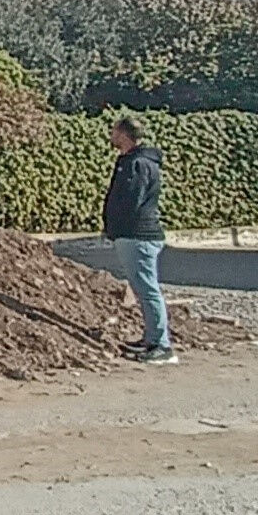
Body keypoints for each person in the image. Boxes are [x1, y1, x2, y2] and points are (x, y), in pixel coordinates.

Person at [104, 116, 173, 363]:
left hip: (138, 236)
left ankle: (162, 347)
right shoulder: (133, 161)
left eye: (114, 131)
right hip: (132, 235)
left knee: (147, 290)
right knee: (143, 289)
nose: (111, 135)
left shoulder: (138, 163)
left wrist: (118, 226)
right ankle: (151, 339)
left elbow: (130, 201)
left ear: (124, 135)